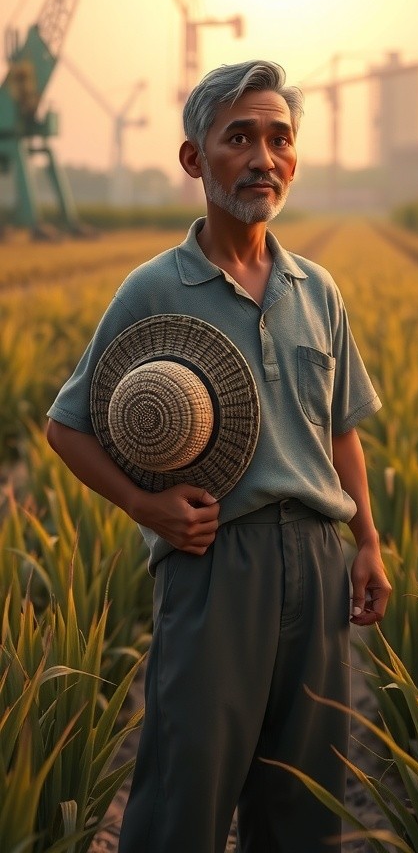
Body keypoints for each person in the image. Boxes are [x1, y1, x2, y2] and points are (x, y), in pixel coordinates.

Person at [46, 59, 391, 853]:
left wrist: (366, 540)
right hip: (213, 561)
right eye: (240, 137)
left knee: (305, 797)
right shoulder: (153, 288)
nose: (264, 157)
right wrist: (144, 506)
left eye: (280, 137)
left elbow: (341, 429)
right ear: (195, 159)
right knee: (184, 794)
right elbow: (67, 426)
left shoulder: (317, 288)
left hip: (317, 555)